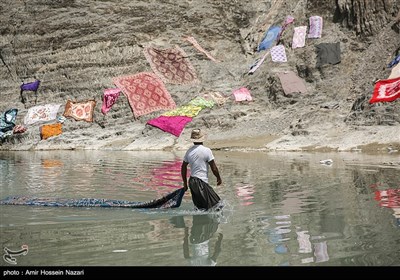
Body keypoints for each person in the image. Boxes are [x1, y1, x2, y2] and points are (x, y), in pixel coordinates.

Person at [181, 128, 222, 211]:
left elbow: (183, 167)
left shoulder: (189, 151)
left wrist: (185, 183)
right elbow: (213, 167)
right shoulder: (206, 150)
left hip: (192, 182)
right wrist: (218, 178)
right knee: (218, 206)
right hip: (200, 182)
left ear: (193, 140)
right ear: (202, 139)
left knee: (200, 208)